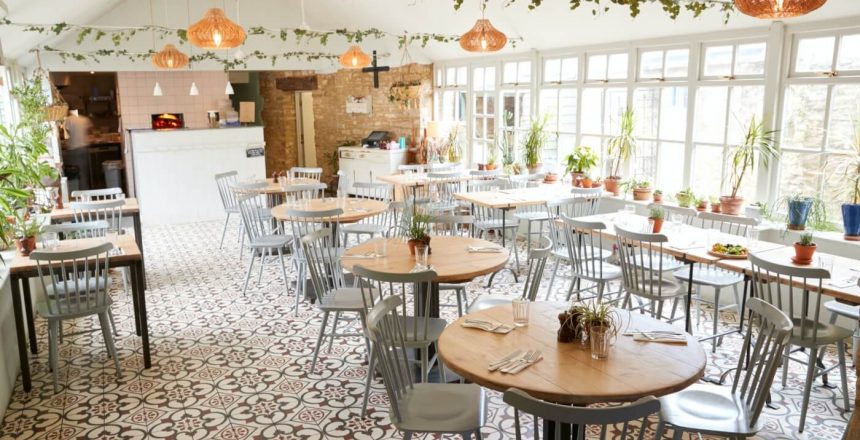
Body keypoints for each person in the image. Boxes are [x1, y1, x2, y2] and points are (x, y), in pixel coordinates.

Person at [64, 110, 93, 190]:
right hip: (83, 148)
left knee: (74, 173)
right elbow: (89, 131)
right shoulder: (84, 119)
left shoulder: (68, 119)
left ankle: (75, 193)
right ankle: (85, 193)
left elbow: (67, 133)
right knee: (83, 173)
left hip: (73, 149)